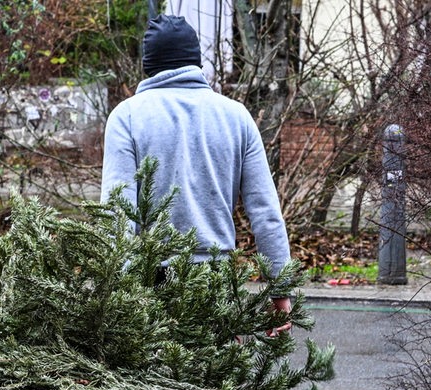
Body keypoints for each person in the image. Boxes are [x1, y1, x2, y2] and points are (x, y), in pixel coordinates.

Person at [100, 14, 293, 334]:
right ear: (195, 61)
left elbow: (116, 213)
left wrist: (112, 294)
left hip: (149, 280)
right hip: (216, 278)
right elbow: (266, 212)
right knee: (219, 365)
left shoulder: (127, 117)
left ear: (149, 64)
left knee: (154, 367)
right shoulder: (236, 116)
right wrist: (280, 291)